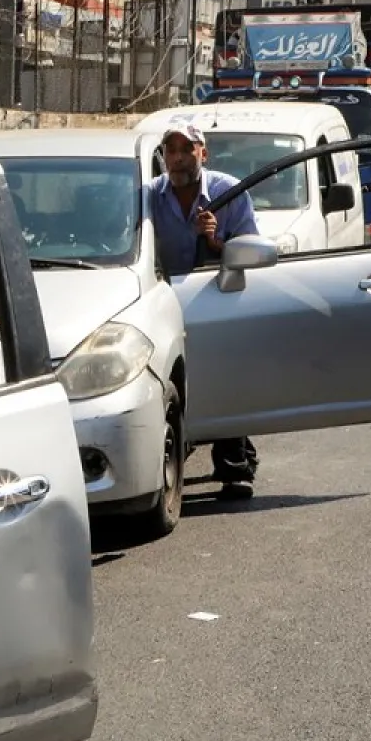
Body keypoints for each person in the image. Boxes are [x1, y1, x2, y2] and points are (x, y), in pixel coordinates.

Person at [152, 122, 261, 500]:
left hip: (217, 297)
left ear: (203, 153)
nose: (179, 158)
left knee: (224, 375)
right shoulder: (149, 196)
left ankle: (234, 464)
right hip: (164, 302)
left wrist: (217, 241)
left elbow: (251, 247)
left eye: (187, 149)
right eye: (172, 150)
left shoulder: (229, 192)